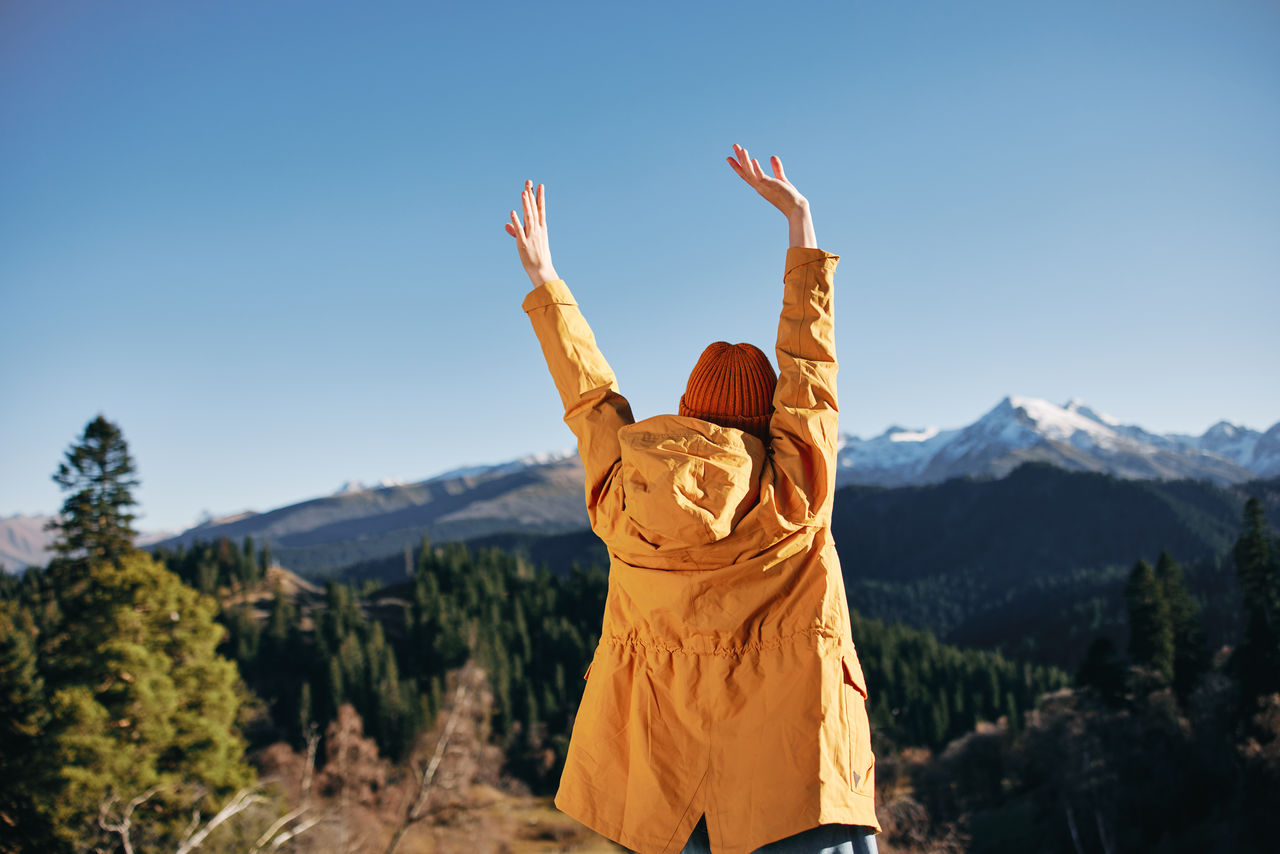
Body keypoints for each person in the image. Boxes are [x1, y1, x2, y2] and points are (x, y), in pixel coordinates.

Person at [505, 145, 879, 854]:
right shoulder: (793, 494)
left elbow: (589, 398)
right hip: (795, 786)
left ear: (686, 412)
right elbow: (811, 369)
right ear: (769, 421)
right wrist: (801, 223)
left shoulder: (624, 493)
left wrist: (545, 278)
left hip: (665, 793)